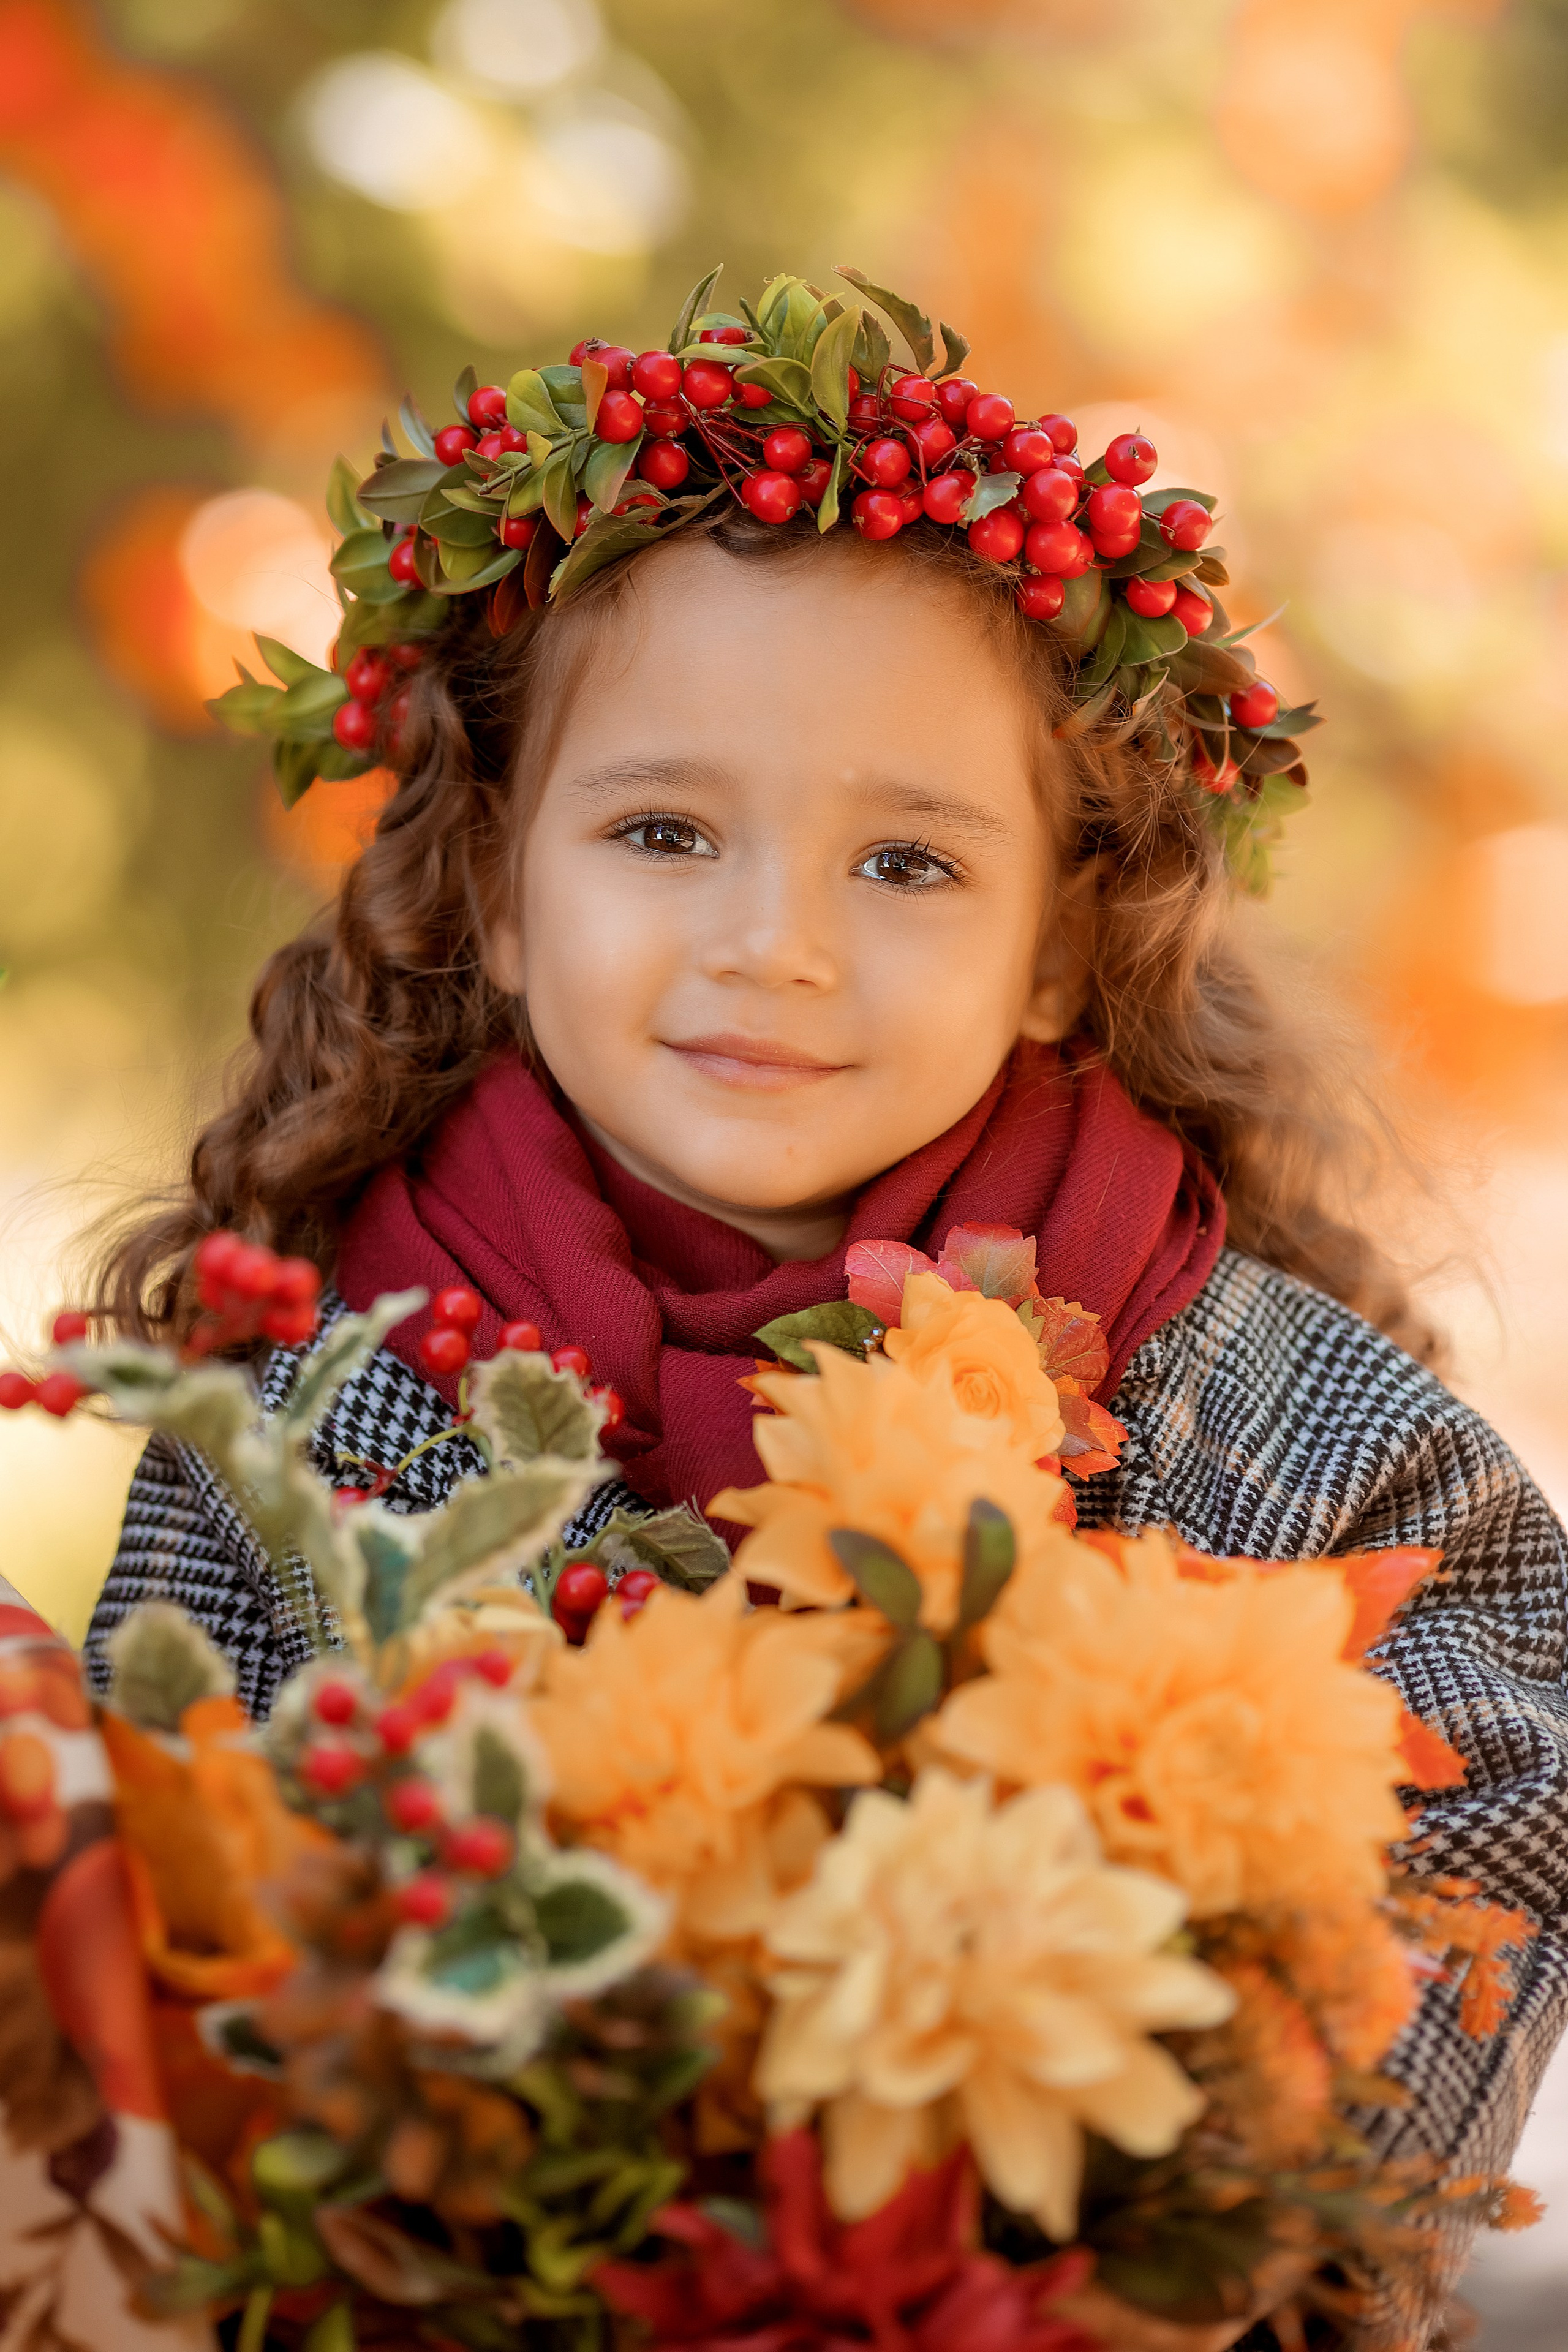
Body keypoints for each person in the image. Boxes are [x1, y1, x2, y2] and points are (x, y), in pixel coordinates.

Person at [80, 271, 1565, 2328]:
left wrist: (1241, 2239)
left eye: (908, 866)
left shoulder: (1281, 1422)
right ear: (503, 892)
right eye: (667, 830)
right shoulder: (310, 1422)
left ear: (1062, 945)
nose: (774, 941)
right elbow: (163, 1962)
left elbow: (1496, 1790)